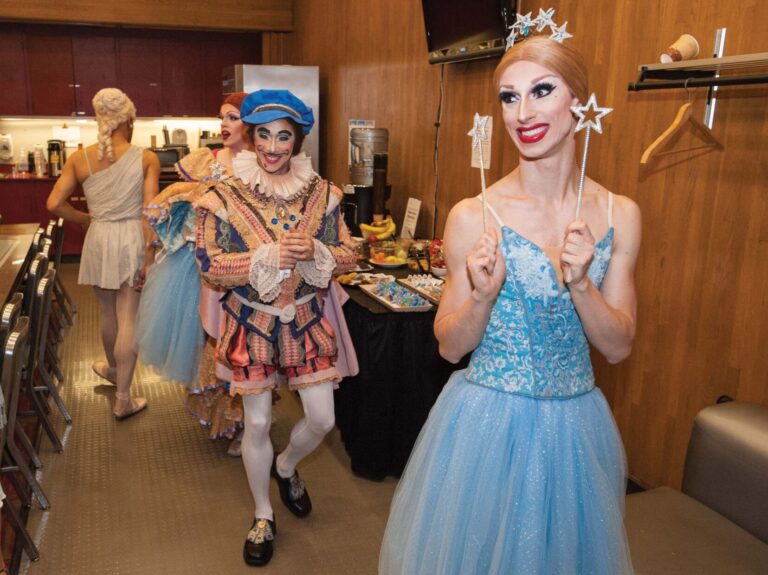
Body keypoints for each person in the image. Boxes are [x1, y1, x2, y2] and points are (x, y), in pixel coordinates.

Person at [379, 36, 641, 574]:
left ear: (579, 101)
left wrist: (583, 284)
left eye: (541, 91)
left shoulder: (621, 212)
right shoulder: (474, 215)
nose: (522, 114)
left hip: (575, 432)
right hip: (486, 427)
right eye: (508, 97)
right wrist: (481, 296)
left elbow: (618, 347)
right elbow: (449, 346)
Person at [195, 89, 356, 567]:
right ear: (250, 135)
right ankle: (263, 513)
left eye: (283, 136)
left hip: (307, 320)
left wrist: (319, 253)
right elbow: (209, 267)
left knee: (323, 419)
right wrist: (262, 257)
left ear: (297, 139)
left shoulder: (323, 193)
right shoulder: (221, 195)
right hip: (251, 323)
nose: (271, 147)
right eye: (262, 135)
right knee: (259, 421)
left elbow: (348, 254)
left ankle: (285, 467)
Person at [136, 93, 249, 448]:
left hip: (244, 269)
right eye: (222, 117)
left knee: (240, 345)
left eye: (232, 117)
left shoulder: (263, 164)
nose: (224, 125)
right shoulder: (207, 160)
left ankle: (245, 422)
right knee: (208, 342)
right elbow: (183, 202)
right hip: (201, 267)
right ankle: (222, 416)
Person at [47, 87, 160, 420]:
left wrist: (85, 218)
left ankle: (114, 370)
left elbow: (54, 203)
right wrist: (151, 258)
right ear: (128, 118)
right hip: (131, 238)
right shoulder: (146, 157)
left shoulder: (79, 158)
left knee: (108, 313)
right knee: (130, 316)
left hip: (99, 237)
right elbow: (150, 211)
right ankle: (123, 397)